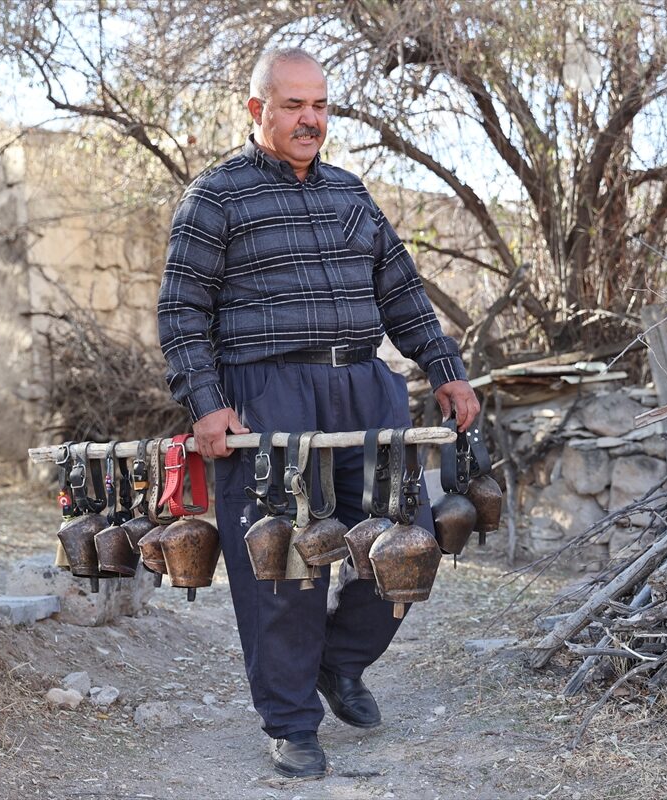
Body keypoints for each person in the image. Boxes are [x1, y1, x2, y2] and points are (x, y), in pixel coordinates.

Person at [157, 46, 480, 779]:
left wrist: (446, 371)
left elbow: (401, 291)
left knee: (407, 543)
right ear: (257, 110)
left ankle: (339, 662)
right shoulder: (215, 198)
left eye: (321, 106)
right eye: (294, 105)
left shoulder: (351, 194)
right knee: (286, 561)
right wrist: (205, 405)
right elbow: (181, 311)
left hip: (365, 391)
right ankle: (292, 720)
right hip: (270, 398)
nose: (311, 120)